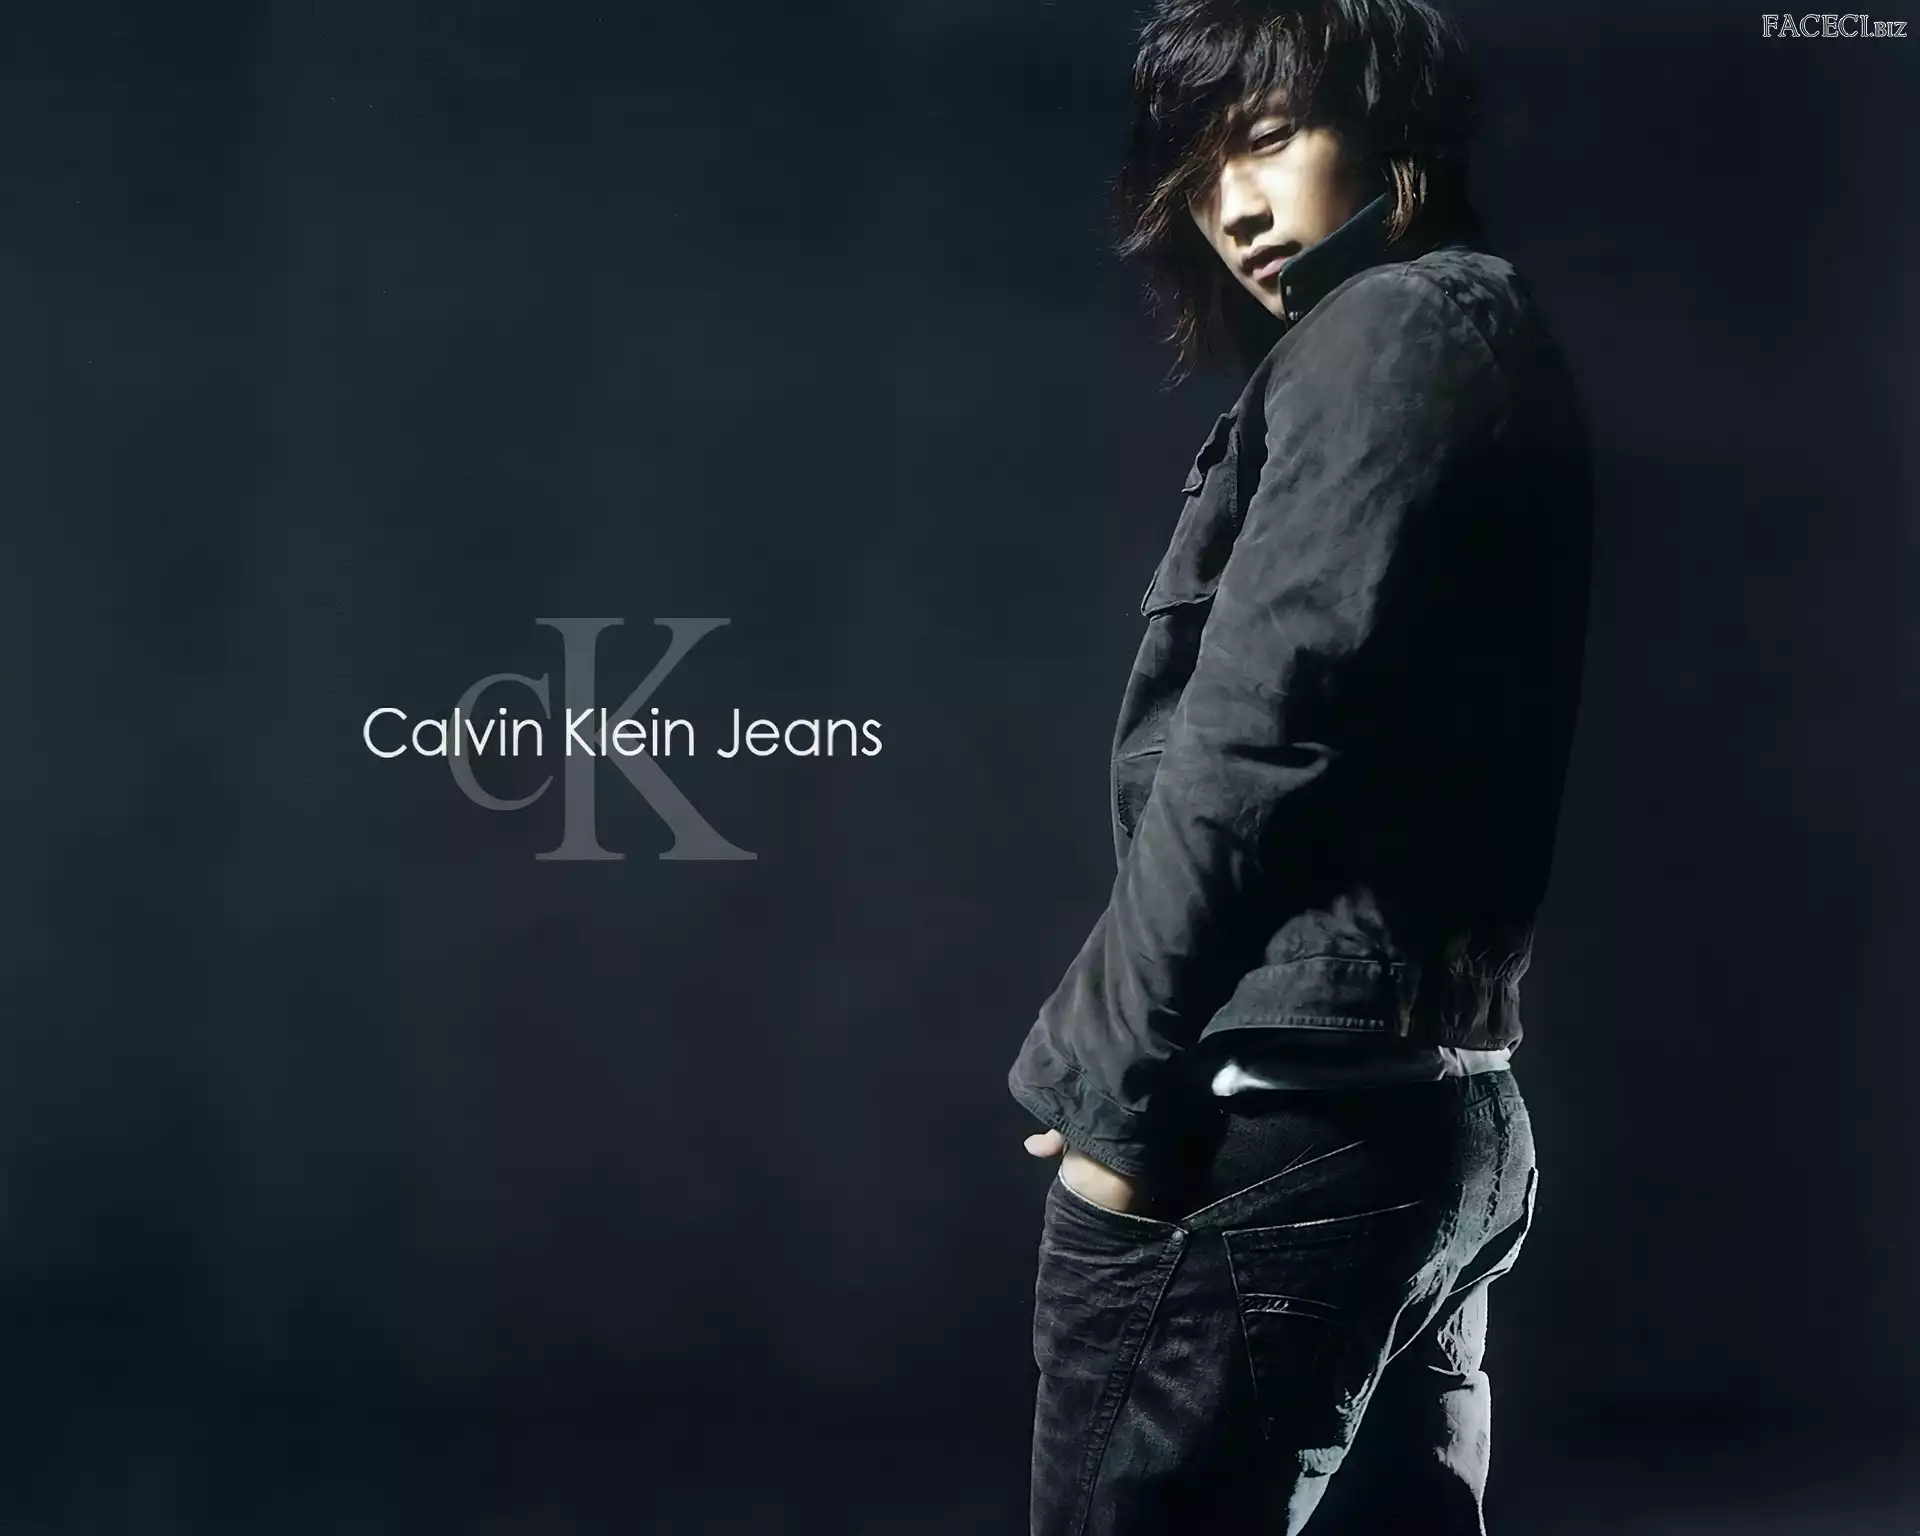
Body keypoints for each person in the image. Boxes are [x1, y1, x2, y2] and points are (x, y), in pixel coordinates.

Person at [1004, 1, 1594, 1531]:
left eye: (1268, 141)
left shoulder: (1390, 333)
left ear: (1390, 121)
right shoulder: (1460, 339)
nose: (1237, 210)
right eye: (1202, 175)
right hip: (1419, 1118)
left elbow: (1256, 740)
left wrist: (1115, 1100)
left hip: (1287, 1145)